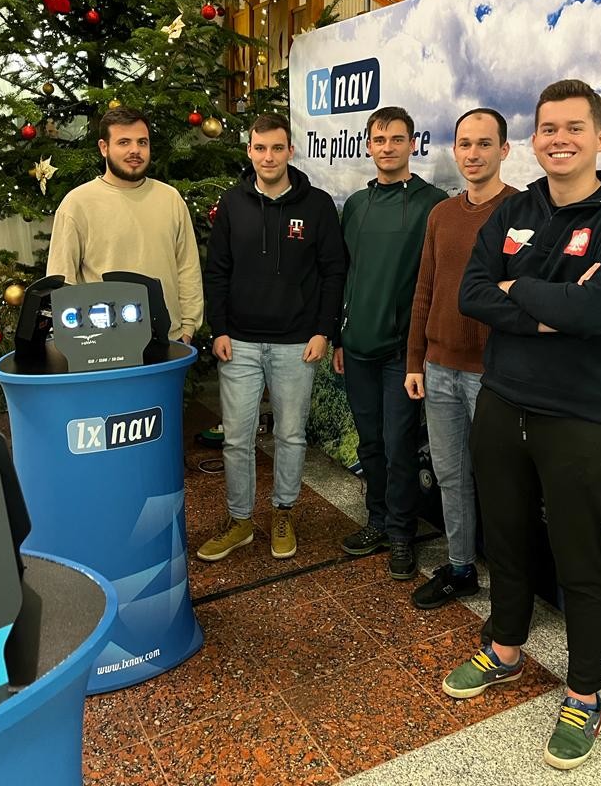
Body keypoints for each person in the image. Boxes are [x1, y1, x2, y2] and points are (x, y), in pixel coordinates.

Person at [443, 80, 601, 771]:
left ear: (600, 137)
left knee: (578, 558)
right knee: (506, 538)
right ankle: (505, 648)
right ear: (534, 140)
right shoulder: (515, 209)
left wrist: (521, 291)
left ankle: (585, 695)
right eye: (548, 129)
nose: (559, 139)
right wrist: (553, 306)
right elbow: (472, 294)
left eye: (574, 128)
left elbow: (594, 314)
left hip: (580, 415)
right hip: (503, 402)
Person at [198, 112, 345, 562]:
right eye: (260, 148)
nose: (268, 157)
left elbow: (334, 272)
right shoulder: (232, 203)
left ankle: (283, 512)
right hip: (239, 343)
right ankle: (240, 521)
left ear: (290, 151)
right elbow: (217, 271)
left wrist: (324, 331)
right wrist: (219, 329)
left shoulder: (317, 205)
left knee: (291, 436)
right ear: (249, 151)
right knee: (236, 439)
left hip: (296, 343)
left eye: (277, 148)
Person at [404, 109, 516, 609]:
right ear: (454, 150)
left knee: (502, 482)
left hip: (495, 375)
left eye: (484, 144)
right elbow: (424, 290)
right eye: (465, 144)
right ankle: (461, 568)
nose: (473, 154)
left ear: (504, 150)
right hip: (438, 368)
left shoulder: (522, 211)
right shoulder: (442, 215)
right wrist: (416, 361)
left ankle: (511, 592)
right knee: (450, 475)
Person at [334, 106, 447, 579]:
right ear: (368, 145)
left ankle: (402, 532)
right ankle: (377, 521)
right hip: (357, 347)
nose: (387, 147)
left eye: (397, 139)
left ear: (412, 144)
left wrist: (419, 351)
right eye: (379, 140)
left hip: (402, 351)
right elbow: (347, 274)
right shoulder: (356, 205)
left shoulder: (432, 204)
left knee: (400, 446)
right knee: (371, 443)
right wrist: (341, 338)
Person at [46, 107, 202, 343]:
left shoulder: (170, 199)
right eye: (124, 142)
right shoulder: (77, 204)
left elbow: (188, 268)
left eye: (142, 142)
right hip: (103, 342)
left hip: (168, 339)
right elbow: (62, 281)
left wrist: (188, 328)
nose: (135, 150)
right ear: (104, 147)